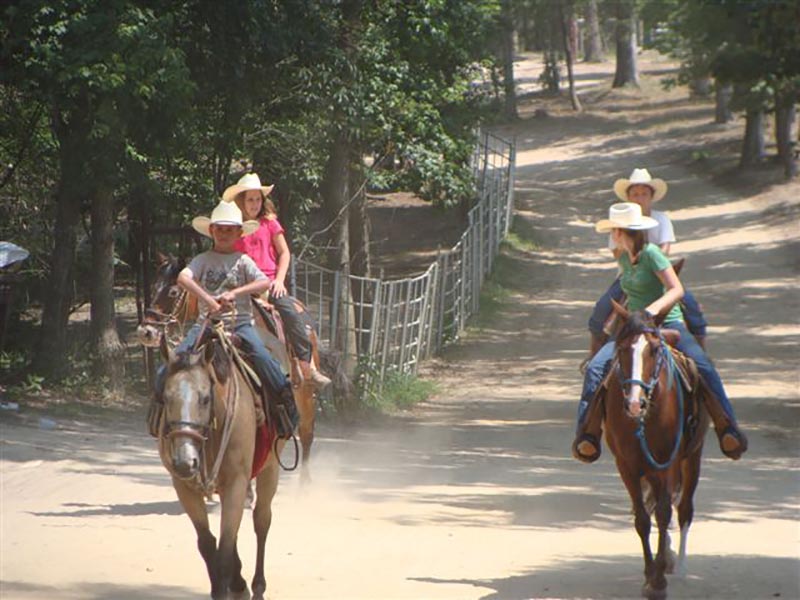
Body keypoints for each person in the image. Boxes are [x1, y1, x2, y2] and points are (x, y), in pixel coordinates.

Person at [573, 202, 747, 463]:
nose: (611, 235)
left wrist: (652, 311)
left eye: (613, 230)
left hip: (668, 324)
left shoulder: (653, 254)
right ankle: (587, 434)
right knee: (596, 368)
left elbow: (676, 289)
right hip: (633, 328)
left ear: (622, 231)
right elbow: (629, 293)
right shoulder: (624, 258)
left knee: (703, 366)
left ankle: (727, 427)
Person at [154, 200, 298, 437]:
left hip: (239, 324)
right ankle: (160, 415)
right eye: (219, 229)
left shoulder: (242, 261)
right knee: (171, 364)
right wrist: (208, 300)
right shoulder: (203, 259)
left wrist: (236, 292)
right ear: (211, 231)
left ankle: (285, 410)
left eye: (229, 229)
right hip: (205, 324)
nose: (224, 234)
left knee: (264, 359)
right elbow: (183, 278)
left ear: (239, 233)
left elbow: (264, 282)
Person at [222, 173, 331, 391]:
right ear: (241, 201)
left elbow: (284, 253)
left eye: (257, 199)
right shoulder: (233, 228)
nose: (254, 204)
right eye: (250, 199)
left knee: (290, 313)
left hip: (270, 284)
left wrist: (280, 280)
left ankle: (306, 365)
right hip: (243, 287)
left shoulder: (270, 224)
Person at [586, 168, 708, 359]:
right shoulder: (624, 247)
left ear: (652, 196)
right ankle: (595, 347)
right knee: (603, 306)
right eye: (635, 194)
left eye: (644, 194)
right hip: (629, 276)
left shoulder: (661, 220)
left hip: (659, 272)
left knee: (691, 306)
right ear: (628, 198)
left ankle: (700, 343)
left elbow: (664, 250)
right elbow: (618, 254)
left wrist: (649, 263)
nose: (639, 198)